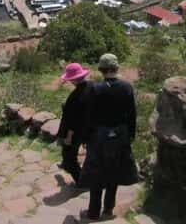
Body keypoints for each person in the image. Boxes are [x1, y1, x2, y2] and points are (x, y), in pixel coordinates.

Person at [80, 53, 139, 221]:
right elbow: (132, 115)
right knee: (114, 172)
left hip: (98, 136)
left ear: (101, 69)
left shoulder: (94, 89)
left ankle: (92, 212)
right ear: (116, 68)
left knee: (97, 174)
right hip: (120, 135)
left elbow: (88, 116)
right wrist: (131, 135)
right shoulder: (127, 87)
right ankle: (108, 209)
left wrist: (85, 138)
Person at [56, 62, 92, 185]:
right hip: (92, 128)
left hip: (77, 132)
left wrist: (68, 136)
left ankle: (82, 181)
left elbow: (72, 120)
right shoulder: (94, 87)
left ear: (73, 80)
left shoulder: (74, 96)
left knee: (68, 157)